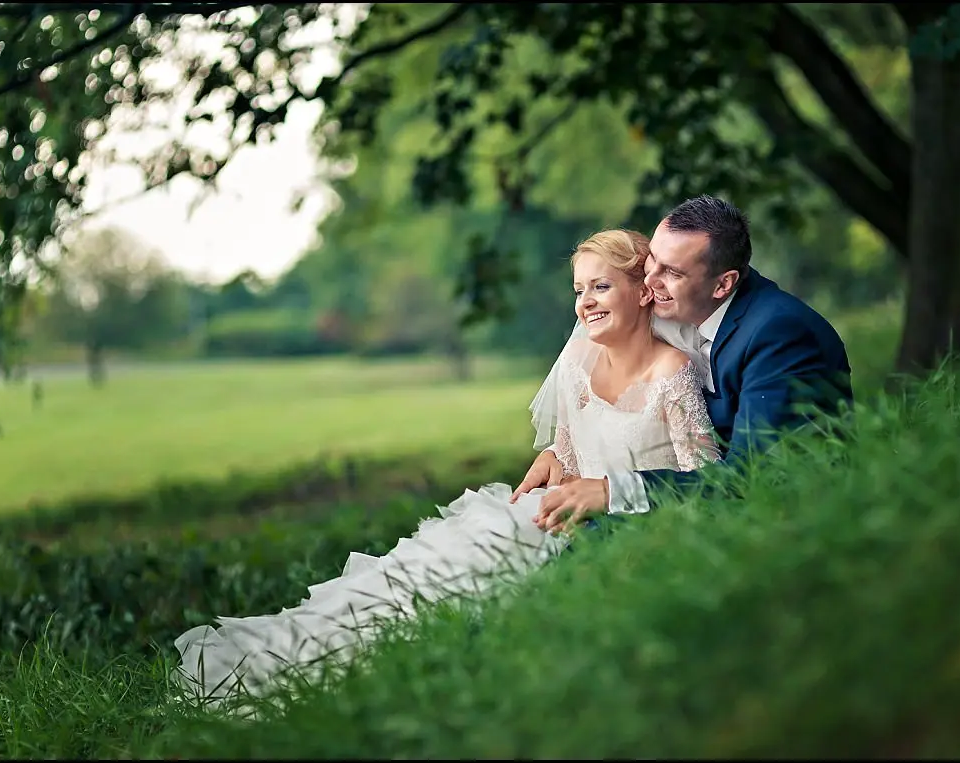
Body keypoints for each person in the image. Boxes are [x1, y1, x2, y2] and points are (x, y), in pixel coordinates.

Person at [172, 229, 721, 712]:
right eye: (578, 290)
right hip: (547, 511)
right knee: (423, 573)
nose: (585, 303)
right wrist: (556, 456)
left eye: (601, 286)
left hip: (609, 522)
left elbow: (708, 481)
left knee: (454, 594)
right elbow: (572, 457)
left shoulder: (671, 373)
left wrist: (608, 495)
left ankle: (351, 671)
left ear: (642, 291)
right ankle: (290, 655)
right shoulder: (579, 368)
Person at [518, 194, 853, 529]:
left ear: (723, 284)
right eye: (653, 260)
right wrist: (559, 454)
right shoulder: (684, 311)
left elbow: (752, 475)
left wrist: (613, 492)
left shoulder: (779, 333)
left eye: (672, 272)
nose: (649, 281)